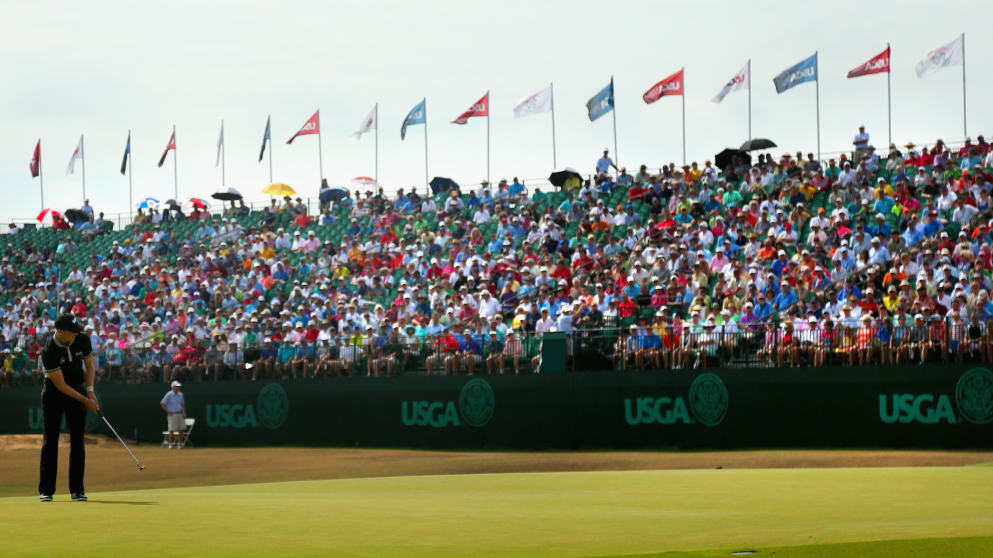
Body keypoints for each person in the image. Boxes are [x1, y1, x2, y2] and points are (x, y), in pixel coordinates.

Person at [39, 313, 100, 502]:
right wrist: (85, 400)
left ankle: (77, 490)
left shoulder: (82, 339)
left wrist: (90, 392)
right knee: (51, 441)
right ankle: (46, 490)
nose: (76, 334)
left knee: (77, 441)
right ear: (60, 331)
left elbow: (90, 367)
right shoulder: (49, 350)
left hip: (78, 388)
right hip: (54, 393)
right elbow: (61, 385)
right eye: (72, 332)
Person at [160, 380, 186, 449]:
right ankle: (170, 444)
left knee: (181, 429)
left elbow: (182, 405)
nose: (178, 387)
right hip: (172, 414)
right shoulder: (169, 394)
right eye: (177, 386)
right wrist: (168, 411)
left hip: (180, 414)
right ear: (173, 387)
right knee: (171, 430)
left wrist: (184, 413)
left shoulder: (181, 394)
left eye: (178, 386)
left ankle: (179, 444)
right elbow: (162, 403)